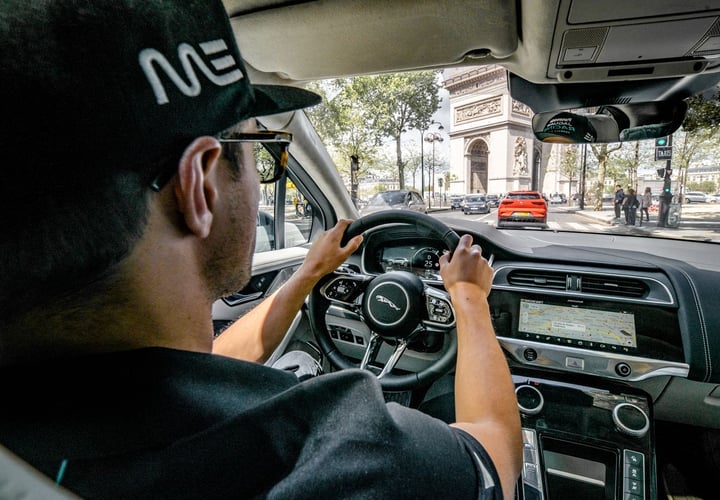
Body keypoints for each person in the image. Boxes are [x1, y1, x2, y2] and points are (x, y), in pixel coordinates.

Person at [0, 1, 522, 499]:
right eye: (258, 149)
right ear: (200, 186)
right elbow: (495, 450)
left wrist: (307, 275)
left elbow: (204, 370)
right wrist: (468, 299)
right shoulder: (335, 453)